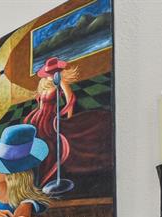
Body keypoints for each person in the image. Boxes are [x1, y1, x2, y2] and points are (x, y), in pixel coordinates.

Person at [24, 57, 113, 186]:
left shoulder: (60, 82)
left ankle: (50, 174)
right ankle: (39, 174)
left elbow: (70, 100)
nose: (51, 74)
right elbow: (40, 104)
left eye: (54, 71)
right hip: (39, 118)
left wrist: (69, 118)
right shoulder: (44, 84)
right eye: (50, 72)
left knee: (51, 142)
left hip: (49, 119)